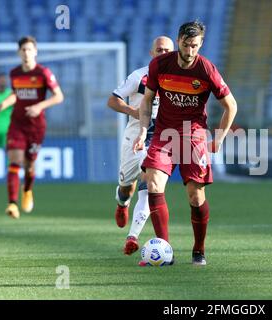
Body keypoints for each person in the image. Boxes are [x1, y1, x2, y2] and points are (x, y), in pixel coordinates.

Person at [133, 20, 237, 266]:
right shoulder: (160, 64)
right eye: (187, 45)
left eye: (195, 46)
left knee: (195, 196)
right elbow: (147, 100)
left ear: (200, 45)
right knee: (154, 184)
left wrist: (220, 137)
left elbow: (230, 105)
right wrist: (141, 131)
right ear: (178, 40)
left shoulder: (207, 70)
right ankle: (164, 250)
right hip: (163, 133)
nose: (190, 51)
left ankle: (198, 250)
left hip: (194, 134)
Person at [107, 36, 174, 255]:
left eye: (167, 51)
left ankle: (132, 237)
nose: (163, 54)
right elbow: (113, 100)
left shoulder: (178, 78)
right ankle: (122, 202)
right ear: (151, 52)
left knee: (150, 184)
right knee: (127, 186)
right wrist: (133, 112)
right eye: (159, 50)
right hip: (136, 134)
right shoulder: (139, 76)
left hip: (161, 138)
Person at [0, 36, 64, 219]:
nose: (26, 53)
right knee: (14, 162)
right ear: (18, 52)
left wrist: (39, 106)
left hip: (36, 127)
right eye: (23, 50)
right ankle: (12, 203)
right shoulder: (15, 73)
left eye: (29, 49)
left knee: (29, 166)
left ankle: (28, 190)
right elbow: (15, 95)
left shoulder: (43, 73)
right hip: (17, 124)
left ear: (35, 52)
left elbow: (58, 96)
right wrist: (0, 107)